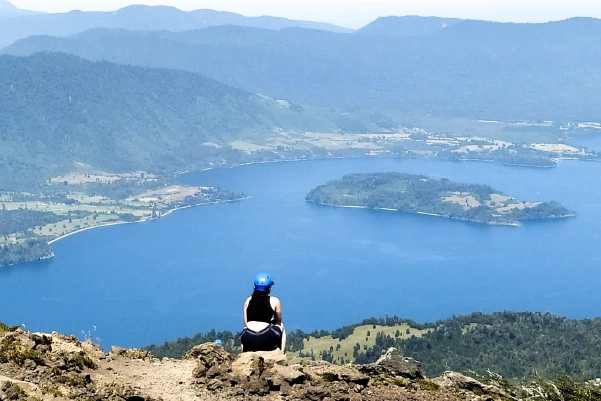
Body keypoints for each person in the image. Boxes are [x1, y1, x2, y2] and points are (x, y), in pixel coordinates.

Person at [241, 273, 287, 353]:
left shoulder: (248, 300)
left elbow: (246, 324)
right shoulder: (274, 300)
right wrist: (271, 321)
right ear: (268, 288)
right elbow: (278, 322)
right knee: (281, 326)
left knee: (245, 330)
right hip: (265, 336)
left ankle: (244, 354)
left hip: (248, 337)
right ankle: (281, 354)